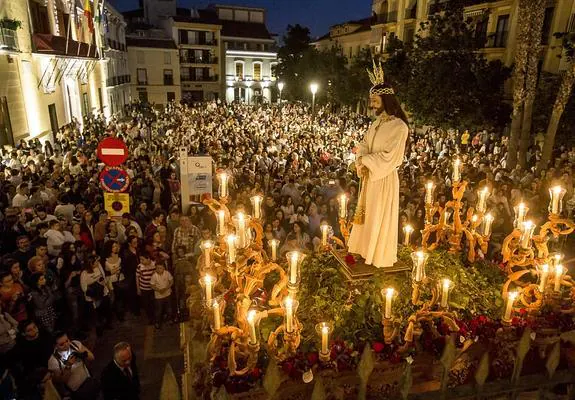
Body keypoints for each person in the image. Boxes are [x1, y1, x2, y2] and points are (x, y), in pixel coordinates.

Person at [348, 64, 409, 269]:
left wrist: (365, 162)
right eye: (371, 101)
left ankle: (376, 254)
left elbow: (390, 157)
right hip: (369, 177)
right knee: (365, 214)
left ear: (386, 100)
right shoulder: (376, 123)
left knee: (377, 215)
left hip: (383, 179)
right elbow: (364, 145)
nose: (372, 105)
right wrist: (361, 161)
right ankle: (364, 249)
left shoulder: (399, 127)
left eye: (375, 101)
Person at [47, 331, 99, 399]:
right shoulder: (53, 361)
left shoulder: (75, 344)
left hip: (88, 379)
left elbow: (92, 358)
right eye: (62, 344)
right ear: (55, 346)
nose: (66, 345)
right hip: (77, 390)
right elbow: (61, 381)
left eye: (67, 340)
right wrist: (68, 365)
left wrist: (82, 353)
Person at [149, 261, 173, 329]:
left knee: (169, 308)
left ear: (164, 268)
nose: (159, 270)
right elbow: (152, 285)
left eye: (161, 268)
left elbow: (171, 281)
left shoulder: (167, 273)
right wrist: (159, 290)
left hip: (167, 294)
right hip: (158, 296)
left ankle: (170, 319)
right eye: (157, 268)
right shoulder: (154, 276)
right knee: (158, 310)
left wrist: (166, 288)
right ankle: (157, 322)